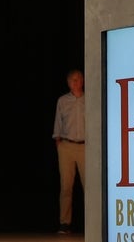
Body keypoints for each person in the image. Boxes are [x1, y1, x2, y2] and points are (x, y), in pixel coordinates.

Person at [52, 68, 86, 235]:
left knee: (89, 186)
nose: (76, 82)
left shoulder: (90, 99)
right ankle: (65, 223)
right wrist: (58, 141)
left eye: (79, 78)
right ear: (68, 82)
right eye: (73, 79)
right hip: (66, 146)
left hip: (86, 147)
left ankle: (92, 221)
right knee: (66, 187)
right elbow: (58, 122)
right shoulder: (62, 101)